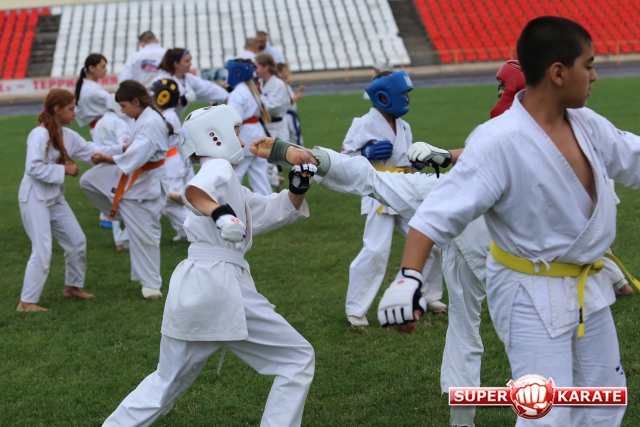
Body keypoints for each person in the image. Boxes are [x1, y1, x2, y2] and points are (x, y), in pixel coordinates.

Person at [377, 17, 638, 427]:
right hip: (530, 291)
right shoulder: (499, 141)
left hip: (587, 288)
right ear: (558, 73)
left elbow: (634, 157)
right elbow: (437, 212)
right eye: (588, 65)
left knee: (604, 402)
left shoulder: (588, 125)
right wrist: (408, 279)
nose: (594, 76)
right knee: (546, 414)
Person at [102, 105, 315, 427]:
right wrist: (221, 215)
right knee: (296, 360)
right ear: (215, 136)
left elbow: (273, 211)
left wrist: (298, 188)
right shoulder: (218, 167)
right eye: (236, 133)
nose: (240, 141)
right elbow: (196, 192)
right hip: (219, 285)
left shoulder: (230, 185)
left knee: (164, 381)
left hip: (195, 286)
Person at [341, 70, 445, 328]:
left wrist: (418, 162)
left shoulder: (404, 126)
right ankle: (356, 308)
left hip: (405, 188)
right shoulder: (363, 123)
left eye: (408, 94)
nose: (407, 99)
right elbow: (344, 159)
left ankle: (430, 294)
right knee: (376, 249)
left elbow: (405, 160)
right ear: (385, 96)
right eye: (403, 94)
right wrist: (366, 152)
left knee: (430, 243)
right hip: (378, 189)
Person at [17, 88, 124, 312]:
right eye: (71, 109)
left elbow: (94, 151)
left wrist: (123, 149)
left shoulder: (67, 135)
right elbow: (33, 167)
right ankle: (26, 302)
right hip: (34, 196)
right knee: (42, 249)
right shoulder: (40, 134)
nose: (75, 113)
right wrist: (63, 169)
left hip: (54, 196)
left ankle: (72, 287)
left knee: (76, 241)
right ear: (57, 109)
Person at [80, 80, 172, 300]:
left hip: (148, 182)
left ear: (136, 101)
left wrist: (107, 158)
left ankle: (152, 286)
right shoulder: (142, 117)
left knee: (147, 235)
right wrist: (113, 154)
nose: (122, 111)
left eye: (123, 106)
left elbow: (137, 154)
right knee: (89, 180)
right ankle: (122, 215)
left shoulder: (150, 121)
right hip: (138, 177)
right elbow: (134, 150)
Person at [151, 78, 192, 242]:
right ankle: (186, 233)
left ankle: (195, 232)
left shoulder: (166, 116)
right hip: (171, 161)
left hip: (169, 163)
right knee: (170, 203)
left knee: (173, 202)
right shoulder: (169, 114)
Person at [226, 59, 272, 195]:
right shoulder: (251, 90)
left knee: (235, 175)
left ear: (237, 73)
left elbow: (234, 120)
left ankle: (231, 203)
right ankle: (268, 204)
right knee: (260, 177)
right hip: (258, 133)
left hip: (245, 136)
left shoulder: (237, 93)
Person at [92, 93, 131, 250]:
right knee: (123, 200)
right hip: (117, 165)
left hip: (101, 166)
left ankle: (121, 240)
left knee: (115, 200)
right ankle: (124, 239)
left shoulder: (99, 122)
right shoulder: (119, 123)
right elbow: (125, 147)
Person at [156, 48, 229, 117]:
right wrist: (183, 99)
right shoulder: (162, 81)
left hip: (172, 120)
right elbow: (160, 106)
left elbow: (207, 87)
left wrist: (228, 97)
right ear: (176, 63)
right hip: (161, 121)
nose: (190, 63)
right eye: (187, 61)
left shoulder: (188, 78)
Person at [255, 53, 290, 189]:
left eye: (257, 66)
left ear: (266, 67)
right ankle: (273, 183)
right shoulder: (260, 83)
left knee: (269, 162)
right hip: (264, 125)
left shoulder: (278, 84)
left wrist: (258, 97)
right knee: (263, 163)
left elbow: (272, 106)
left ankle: (274, 186)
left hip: (276, 126)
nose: (255, 70)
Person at [74, 53, 110, 134]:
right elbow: (112, 100)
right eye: (103, 67)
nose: (106, 70)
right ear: (91, 68)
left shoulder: (88, 86)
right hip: (104, 130)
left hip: (100, 128)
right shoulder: (90, 89)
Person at [277, 62, 305, 146]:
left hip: (289, 116)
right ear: (279, 72)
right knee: (294, 142)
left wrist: (296, 91)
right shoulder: (279, 85)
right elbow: (284, 103)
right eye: (286, 70)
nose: (288, 72)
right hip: (286, 116)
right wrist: (296, 97)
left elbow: (288, 97)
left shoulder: (284, 84)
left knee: (295, 140)